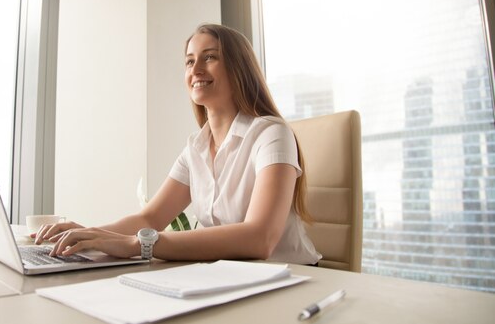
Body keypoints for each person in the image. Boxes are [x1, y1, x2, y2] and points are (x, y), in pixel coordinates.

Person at [33, 23, 320, 265]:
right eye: (189, 60)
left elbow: (260, 238)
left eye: (210, 57)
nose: (196, 68)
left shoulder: (270, 134)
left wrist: (139, 245)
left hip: (293, 279)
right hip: (231, 279)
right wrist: (90, 235)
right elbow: (152, 216)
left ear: (238, 68)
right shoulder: (195, 148)